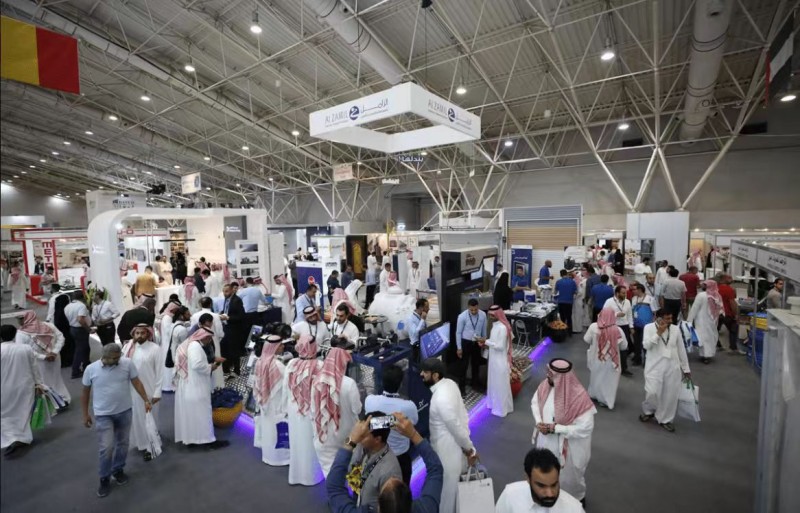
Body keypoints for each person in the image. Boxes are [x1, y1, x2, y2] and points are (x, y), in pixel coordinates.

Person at [327, 411, 442, 513]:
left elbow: (334, 487)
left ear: (378, 508)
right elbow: (436, 469)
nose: (392, 480)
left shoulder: (390, 470)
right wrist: (412, 434)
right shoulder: (426, 508)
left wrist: (351, 439)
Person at [82, 344, 152, 498]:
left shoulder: (127, 363)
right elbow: (85, 392)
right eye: (114, 358)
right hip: (103, 415)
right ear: (104, 357)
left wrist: (146, 399)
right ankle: (104, 478)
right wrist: (85, 414)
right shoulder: (91, 369)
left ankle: (118, 469)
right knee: (106, 447)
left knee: (123, 443)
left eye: (118, 357)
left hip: (125, 411)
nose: (117, 360)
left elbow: (136, 382)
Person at [531, 358, 595, 503]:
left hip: (569, 448)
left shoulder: (579, 398)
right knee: (546, 473)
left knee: (569, 479)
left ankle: (576, 499)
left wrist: (556, 428)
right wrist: (539, 422)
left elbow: (586, 427)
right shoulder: (545, 385)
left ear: (561, 378)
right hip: (546, 442)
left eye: (551, 374)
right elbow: (535, 403)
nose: (547, 376)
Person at [420, 357, 478, 513]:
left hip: (447, 454)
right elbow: (463, 415)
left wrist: (469, 448)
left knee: (446, 495)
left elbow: (455, 427)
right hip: (453, 450)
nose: (421, 374)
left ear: (435, 375)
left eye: (425, 372)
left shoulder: (441, 399)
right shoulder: (451, 384)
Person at [173, 328, 227, 448]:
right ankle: (208, 440)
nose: (209, 341)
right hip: (196, 385)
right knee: (203, 412)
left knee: (194, 413)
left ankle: (193, 439)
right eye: (209, 338)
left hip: (192, 384)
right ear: (204, 337)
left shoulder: (192, 344)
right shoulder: (195, 346)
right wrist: (211, 367)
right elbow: (197, 364)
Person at [312, 347, 362, 477]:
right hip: (348, 434)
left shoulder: (317, 381)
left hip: (325, 434)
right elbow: (357, 409)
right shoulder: (349, 383)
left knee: (330, 473)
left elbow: (313, 409)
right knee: (351, 470)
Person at [365, 365, 419, 485]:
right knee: (402, 490)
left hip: (377, 456)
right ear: (400, 384)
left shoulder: (370, 401)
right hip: (400, 457)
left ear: (381, 382)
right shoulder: (408, 406)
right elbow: (414, 422)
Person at [640, 310, 692, 432]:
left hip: (672, 367)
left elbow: (681, 350)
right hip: (654, 367)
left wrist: (686, 369)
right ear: (657, 318)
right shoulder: (648, 328)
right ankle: (649, 411)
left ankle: (666, 419)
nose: (670, 321)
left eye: (671, 318)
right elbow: (646, 345)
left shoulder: (675, 329)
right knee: (652, 392)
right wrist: (658, 333)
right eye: (667, 319)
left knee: (670, 395)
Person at [285, 335, 325, 486]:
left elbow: (285, 388)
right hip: (311, 411)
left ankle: (297, 475)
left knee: (297, 440)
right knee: (310, 442)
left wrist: (285, 409)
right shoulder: (320, 365)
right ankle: (312, 476)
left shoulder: (291, 363)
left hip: (294, 408)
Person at [496, 447, 585, 513]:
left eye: (554, 485)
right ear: (528, 478)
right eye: (541, 486)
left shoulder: (574, 509)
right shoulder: (510, 496)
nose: (550, 494)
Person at [1, 325, 45, 456]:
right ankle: (23, 437)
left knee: (5, 413)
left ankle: (11, 438)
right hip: (24, 386)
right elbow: (34, 367)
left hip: (4, 387)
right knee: (23, 411)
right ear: (15, 334)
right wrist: (39, 384)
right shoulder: (26, 348)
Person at [121, 325, 163, 461]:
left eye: (142, 333)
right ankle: (143, 443)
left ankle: (151, 446)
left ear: (148, 334)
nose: (139, 335)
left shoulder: (155, 349)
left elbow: (160, 372)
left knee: (149, 418)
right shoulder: (128, 348)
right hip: (132, 389)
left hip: (150, 389)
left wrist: (157, 392)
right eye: (137, 333)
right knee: (137, 418)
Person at [16, 311, 70, 405]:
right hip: (54, 357)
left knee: (45, 381)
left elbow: (23, 349)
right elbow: (61, 338)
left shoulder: (21, 334)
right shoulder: (48, 325)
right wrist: (54, 352)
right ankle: (63, 399)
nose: (19, 321)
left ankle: (55, 403)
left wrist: (45, 356)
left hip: (39, 361)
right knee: (56, 379)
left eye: (21, 319)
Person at [254, 335, 290, 466]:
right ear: (274, 347)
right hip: (277, 403)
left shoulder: (259, 361)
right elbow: (287, 384)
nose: (283, 346)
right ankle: (280, 459)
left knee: (269, 431)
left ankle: (268, 456)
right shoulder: (277, 365)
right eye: (280, 345)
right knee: (278, 431)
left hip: (265, 403)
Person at [583, 308, 626, 409]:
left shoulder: (593, 327)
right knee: (609, 381)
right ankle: (605, 400)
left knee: (595, 377)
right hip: (612, 361)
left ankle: (594, 394)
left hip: (597, 357)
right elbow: (624, 346)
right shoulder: (618, 330)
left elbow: (586, 340)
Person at [482, 306, 514, 417]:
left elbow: (500, 346)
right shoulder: (495, 326)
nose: (491, 317)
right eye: (490, 315)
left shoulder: (503, 328)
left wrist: (485, 341)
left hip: (500, 361)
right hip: (493, 360)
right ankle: (493, 404)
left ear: (498, 315)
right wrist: (484, 342)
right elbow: (493, 341)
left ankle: (501, 409)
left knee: (500, 385)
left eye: (493, 315)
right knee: (494, 383)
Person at [454, 298, 488, 394]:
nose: (473, 312)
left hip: (477, 342)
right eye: (471, 310)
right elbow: (458, 333)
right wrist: (459, 348)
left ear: (478, 307)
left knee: (476, 364)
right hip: (466, 343)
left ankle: (475, 384)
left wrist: (484, 341)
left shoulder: (483, 315)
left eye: (475, 310)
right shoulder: (462, 316)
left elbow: (484, 329)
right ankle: (462, 388)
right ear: (468, 307)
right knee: (463, 366)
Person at [688, 280, 723, 364]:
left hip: (701, 319)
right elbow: (720, 308)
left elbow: (694, 308)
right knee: (711, 336)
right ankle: (709, 354)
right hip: (713, 320)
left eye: (704, 285)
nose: (702, 286)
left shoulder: (701, 295)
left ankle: (705, 355)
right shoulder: (717, 295)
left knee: (703, 336)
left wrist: (689, 320)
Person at [603, 285, 633, 377]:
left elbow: (629, 315)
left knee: (624, 347)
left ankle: (624, 368)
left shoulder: (627, 302)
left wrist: (631, 327)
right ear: (617, 293)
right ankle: (611, 366)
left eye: (625, 293)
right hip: (613, 326)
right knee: (612, 347)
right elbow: (603, 314)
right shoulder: (609, 301)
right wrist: (616, 314)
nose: (625, 295)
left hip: (625, 327)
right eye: (623, 293)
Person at [163, 306, 192, 393]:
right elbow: (185, 346)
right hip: (181, 357)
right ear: (181, 316)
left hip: (174, 354)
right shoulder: (182, 330)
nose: (190, 315)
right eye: (188, 314)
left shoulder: (173, 325)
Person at [220, 283, 246, 377]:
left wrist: (228, 318)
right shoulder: (226, 299)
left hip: (234, 329)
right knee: (225, 349)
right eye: (223, 291)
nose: (224, 293)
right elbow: (227, 310)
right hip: (226, 327)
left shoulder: (237, 300)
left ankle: (236, 370)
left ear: (232, 290)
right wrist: (221, 314)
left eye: (226, 291)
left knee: (234, 350)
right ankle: (226, 369)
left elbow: (241, 316)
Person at [65, 295, 92, 379]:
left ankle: (86, 365)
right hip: (80, 330)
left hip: (72, 328)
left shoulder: (68, 306)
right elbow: (80, 319)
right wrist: (88, 329)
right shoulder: (81, 306)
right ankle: (75, 371)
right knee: (80, 350)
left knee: (85, 347)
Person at [630, 283, 655, 365]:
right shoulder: (634, 299)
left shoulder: (650, 299)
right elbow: (632, 311)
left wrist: (653, 324)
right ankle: (637, 359)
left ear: (640, 290)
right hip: (636, 324)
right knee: (637, 343)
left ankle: (647, 361)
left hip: (647, 325)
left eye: (635, 289)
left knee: (645, 342)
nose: (633, 291)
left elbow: (654, 312)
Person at [718, 274, 740, 353]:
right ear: (724, 279)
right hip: (727, 314)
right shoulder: (729, 289)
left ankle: (718, 345)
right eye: (729, 278)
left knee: (715, 330)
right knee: (733, 330)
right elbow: (732, 303)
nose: (732, 279)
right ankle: (733, 348)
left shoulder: (716, 288)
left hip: (717, 313)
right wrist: (736, 314)